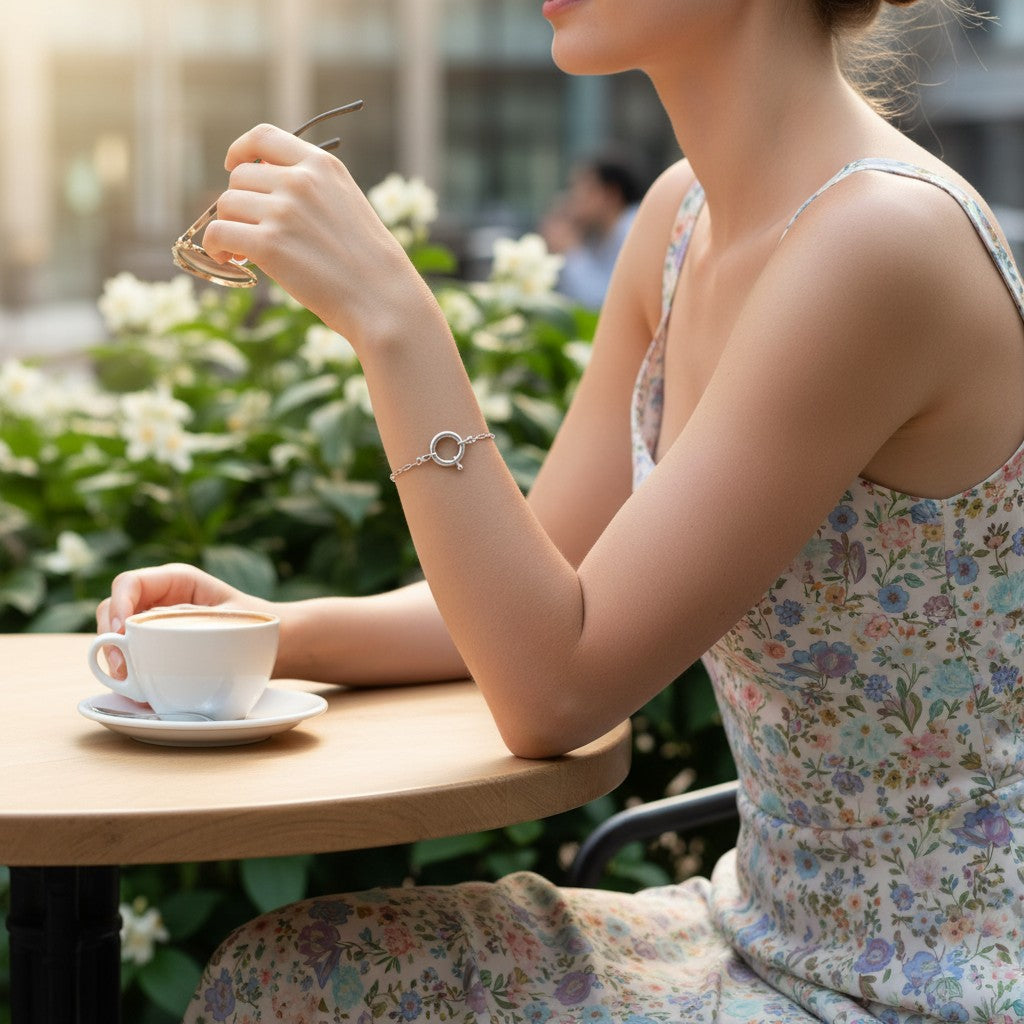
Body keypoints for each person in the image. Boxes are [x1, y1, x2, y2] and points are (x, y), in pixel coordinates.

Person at [97, 0, 1024, 1020]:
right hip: (755, 931)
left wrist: (395, 321)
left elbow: (554, 688)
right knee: (286, 975)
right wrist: (257, 634)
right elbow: (533, 592)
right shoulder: (679, 220)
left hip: (927, 989)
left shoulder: (879, 244)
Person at [542, 152, 645, 307]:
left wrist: (571, 252)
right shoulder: (598, 234)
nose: (573, 198)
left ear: (611, 194)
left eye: (581, 188)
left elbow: (605, 304)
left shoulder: (633, 229)